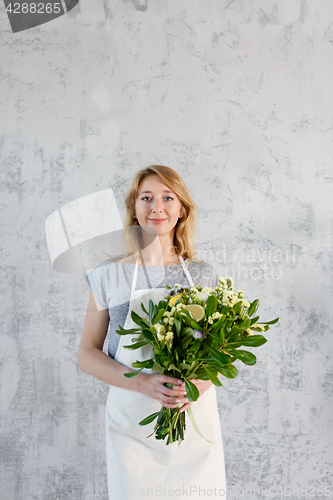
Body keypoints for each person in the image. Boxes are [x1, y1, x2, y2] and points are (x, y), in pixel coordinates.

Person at [79, 165, 226, 500]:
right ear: (134, 208)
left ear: (181, 210)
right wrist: (143, 382)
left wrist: (195, 387)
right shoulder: (108, 276)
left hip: (190, 423)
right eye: (146, 197)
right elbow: (87, 353)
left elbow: (220, 353)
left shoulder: (203, 276)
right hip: (131, 422)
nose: (156, 206)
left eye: (167, 197)